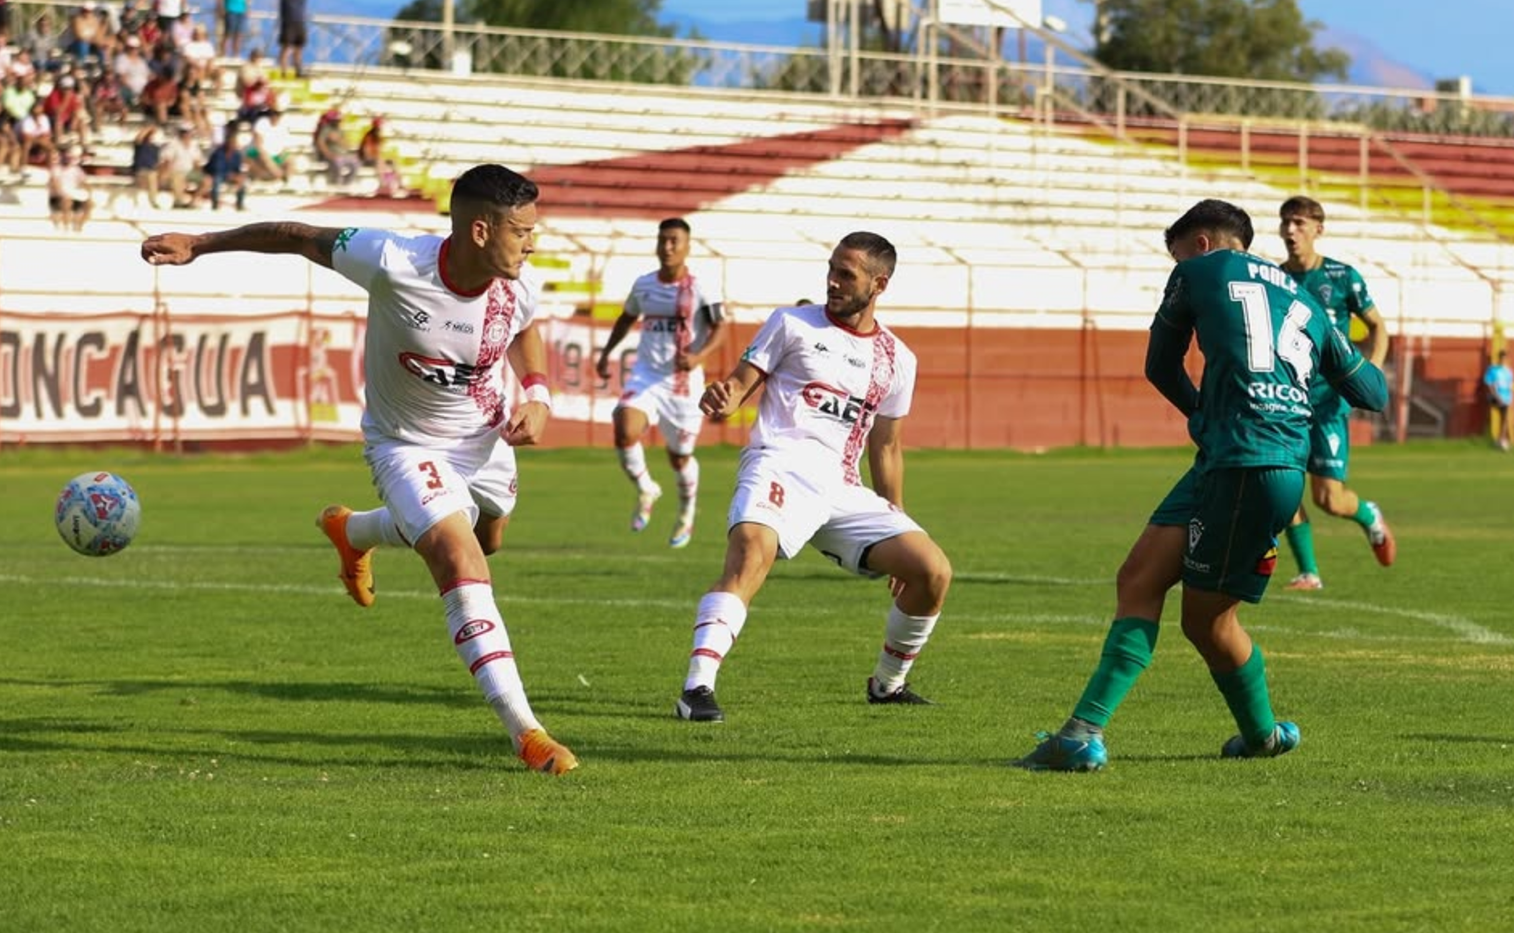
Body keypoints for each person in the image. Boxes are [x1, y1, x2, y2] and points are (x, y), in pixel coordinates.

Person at [138, 163, 579, 776]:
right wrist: (200, 245)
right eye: (523, 230)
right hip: (406, 444)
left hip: (486, 439)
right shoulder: (392, 259)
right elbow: (297, 236)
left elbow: (524, 329)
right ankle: (526, 731)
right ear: (480, 230)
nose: (533, 242)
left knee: (488, 537)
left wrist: (537, 394)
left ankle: (355, 531)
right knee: (459, 558)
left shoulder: (516, 280)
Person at [1019, 199, 1389, 773]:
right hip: (1254, 463)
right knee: (1139, 578)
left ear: (1201, 244)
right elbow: (1374, 393)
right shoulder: (1307, 300)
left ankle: (1251, 736)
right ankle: (1086, 734)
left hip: (1243, 463)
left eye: (1177, 255)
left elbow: (1160, 366)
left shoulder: (1196, 271)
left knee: (1208, 620)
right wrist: (1310, 376)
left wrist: (1199, 412)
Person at [672, 231, 952, 723]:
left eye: (847, 274)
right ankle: (697, 688)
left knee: (932, 572)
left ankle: (887, 686)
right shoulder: (791, 323)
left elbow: (886, 446)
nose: (833, 282)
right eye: (831, 269)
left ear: (879, 284)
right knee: (749, 556)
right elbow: (739, 387)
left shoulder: (897, 359)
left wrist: (895, 514)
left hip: (843, 487)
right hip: (778, 464)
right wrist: (723, 399)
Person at [1275, 195, 1396, 592]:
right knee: (1284, 487)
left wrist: (1370, 372)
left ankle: (1368, 515)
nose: (1290, 231)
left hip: (1328, 404)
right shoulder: (1275, 279)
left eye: (1299, 223)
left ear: (1318, 230)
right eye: (1285, 223)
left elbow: (1377, 326)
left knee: (1329, 498)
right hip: (1286, 401)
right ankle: (1309, 572)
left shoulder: (1344, 278)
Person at [594, 217, 728, 549]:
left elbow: (720, 328)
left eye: (674, 241)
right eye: (662, 240)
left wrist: (699, 357)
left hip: (683, 384)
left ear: (686, 247)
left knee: (679, 458)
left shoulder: (701, 287)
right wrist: (605, 353)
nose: (667, 247)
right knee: (625, 428)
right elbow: (626, 319)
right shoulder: (644, 285)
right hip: (647, 375)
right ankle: (646, 487)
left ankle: (687, 512)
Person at [1484, 349, 1513, 451]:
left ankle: (1501, 440)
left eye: (1504, 358)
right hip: (1495, 396)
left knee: (1504, 418)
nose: (1503, 360)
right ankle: (1501, 440)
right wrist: (1497, 397)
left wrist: (1509, 398)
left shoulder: (1508, 372)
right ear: (1499, 358)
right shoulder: (1493, 369)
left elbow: (1509, 386)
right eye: (1501, 357)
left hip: (1505, 398)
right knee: (1502, 417)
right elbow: (1489, 384)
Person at [277, 0, 307, 77]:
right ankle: (283, 72)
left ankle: (299, 71)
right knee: (287, 48)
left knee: (298, 48)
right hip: (288, 21)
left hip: (300, 21)